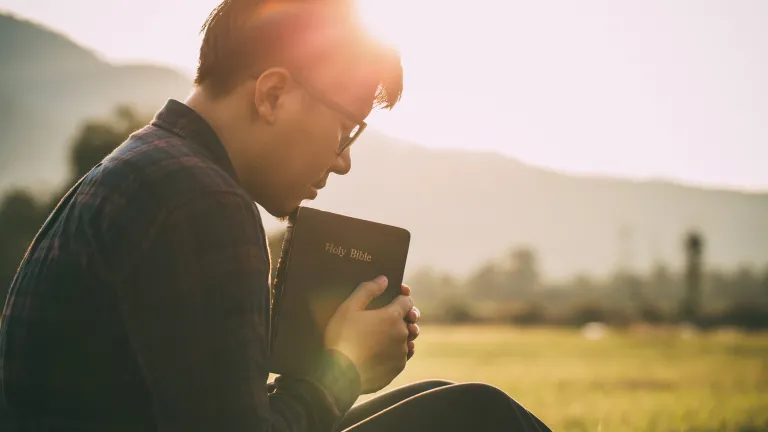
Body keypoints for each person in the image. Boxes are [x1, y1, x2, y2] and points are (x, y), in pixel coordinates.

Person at [0, 1, 551, 431]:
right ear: (273, 93)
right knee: (480, 418)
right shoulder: (201, 200)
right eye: (345, 130)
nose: (343, 161)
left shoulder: (150, 168)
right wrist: (344, 370)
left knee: (450, 402)